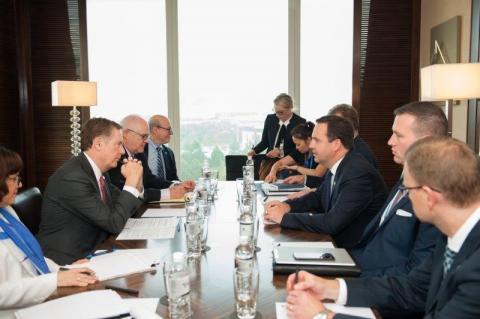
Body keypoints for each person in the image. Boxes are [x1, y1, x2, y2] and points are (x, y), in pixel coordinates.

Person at [286, 137, 480, 319]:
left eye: (407, 190)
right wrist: (329, 287)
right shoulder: (452, 235)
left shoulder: (476, 269)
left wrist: (322, 316)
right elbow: (414, 288)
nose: (405, 196)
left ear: (429, 197)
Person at [350, 102, 445, 277]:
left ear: (425, 142)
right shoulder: (405, 177)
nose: (389, 142)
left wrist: (345, 281)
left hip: (382, 288)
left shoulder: (436, 194)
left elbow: (415, 275)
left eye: (398, 135)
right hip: (359, 267)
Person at [264, 116, 387, 248]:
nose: (311, 145)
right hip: (336, 243)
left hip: (354, 252)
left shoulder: (357, 173)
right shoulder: (340, 165)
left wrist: (284, 218)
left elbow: (331, 223)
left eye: (316, 140)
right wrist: (287, 206)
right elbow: (318, 197)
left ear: (336, 144)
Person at [0, 146, 96, 310]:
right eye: (14, 178)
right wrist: (55, 280)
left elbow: (31, 257)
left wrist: (64, 270)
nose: (20, 184)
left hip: (39, 299)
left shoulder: (6, 210)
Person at [38, 118, 144, 265]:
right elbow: (114, 223)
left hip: (97, 248)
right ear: (98, 143)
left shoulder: (98, 171)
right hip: (68, 262)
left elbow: (130, 208)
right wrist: (131, 182)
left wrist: (136, 180)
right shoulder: (72, 178)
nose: (122, 151)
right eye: (118, 144)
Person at [108, 115, 194, 202]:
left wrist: (176, 185)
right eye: (143, 136)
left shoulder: (139, 154)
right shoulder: (115, 157)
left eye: (147, 136)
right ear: (126, 134)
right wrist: (168, 194)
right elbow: (126, 192)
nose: (146, 140)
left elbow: (149, 179)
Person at [248, 93, 306, 180]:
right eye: (276, 112)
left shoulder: (300, 122)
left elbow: (299, 149)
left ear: (290, 108)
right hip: (269, 162)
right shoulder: (270, 119)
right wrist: (254, 150)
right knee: (265, 184)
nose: (277, 115)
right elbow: (265, 142)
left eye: (281, 112)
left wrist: (280, 152)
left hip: (289, 163)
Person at [264, 122, 326, 188]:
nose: (296, 147)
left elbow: (317, 174)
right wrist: (272, 173)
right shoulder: (300, 151)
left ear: (309, 140)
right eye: (295, 144)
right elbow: (279, 163)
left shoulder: (322, 152)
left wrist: (297, 168)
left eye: (298, 144)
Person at [328, 104, 378, 169]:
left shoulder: (360, 154)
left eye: (335, 124)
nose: (331, 129)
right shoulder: (349, 147)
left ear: (349, 125)